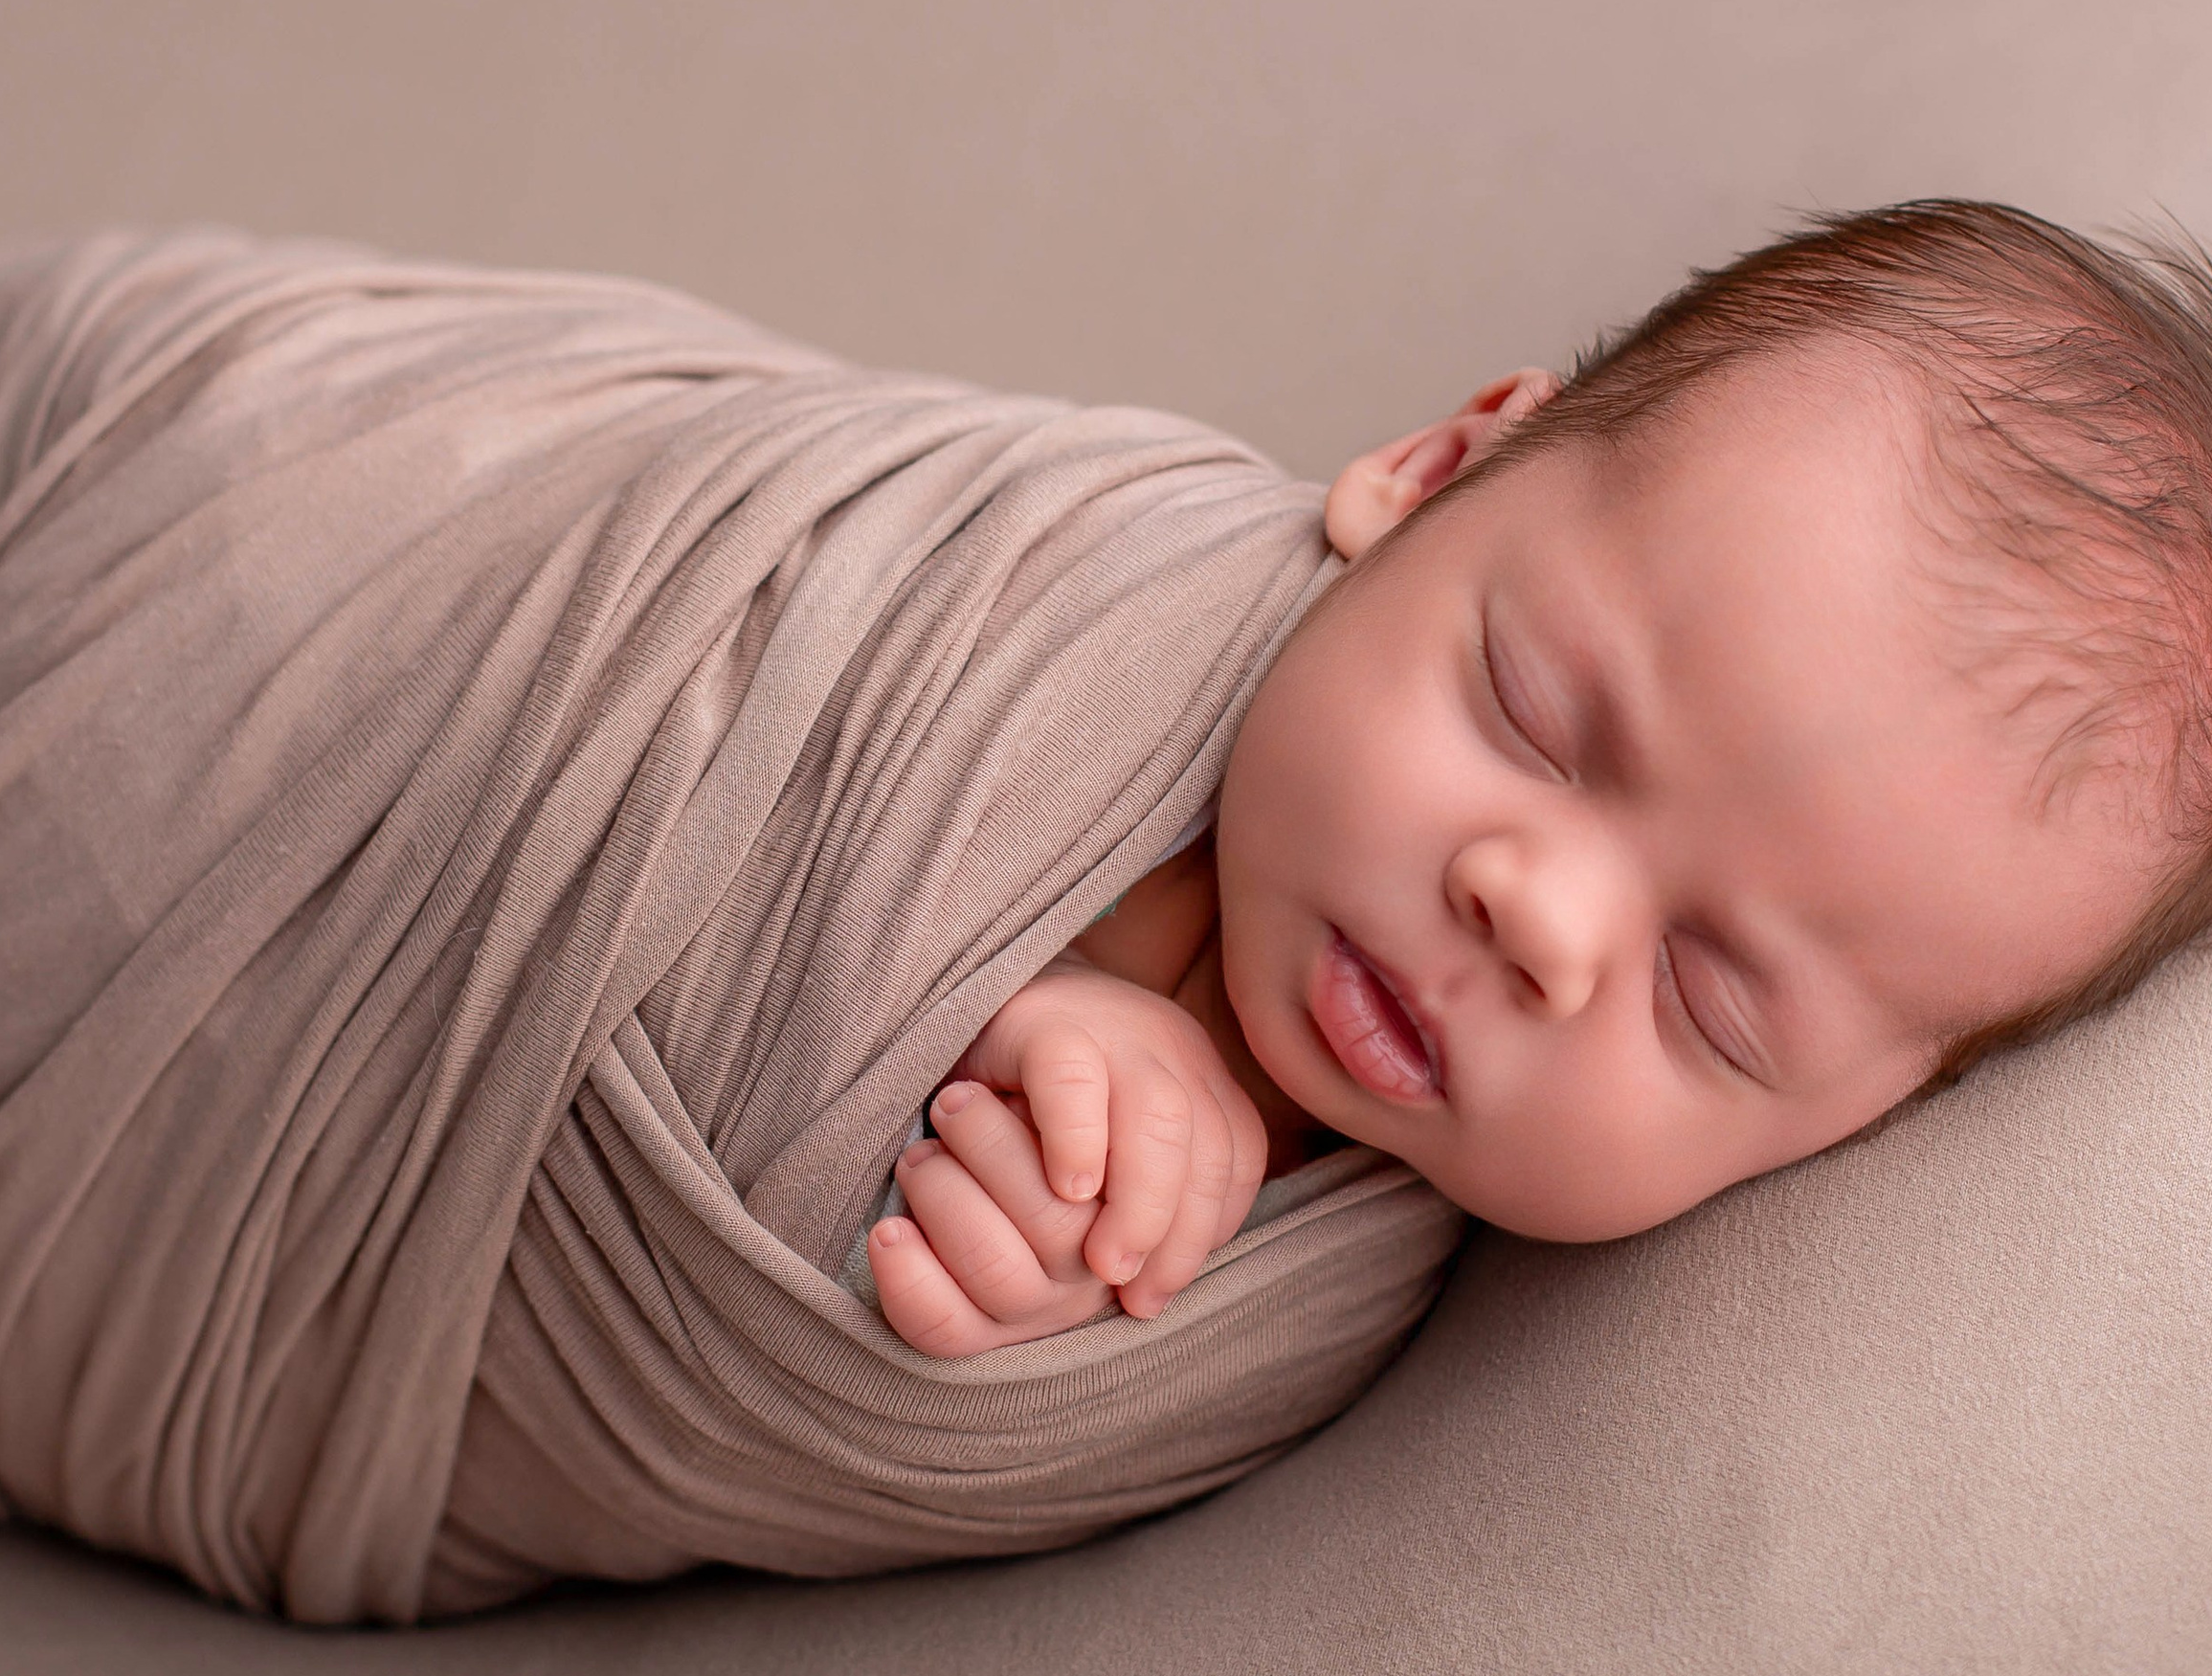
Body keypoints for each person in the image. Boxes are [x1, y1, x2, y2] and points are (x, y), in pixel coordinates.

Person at [866, 199, 2212, 1355]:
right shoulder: (1071, 615)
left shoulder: (1343, 1330)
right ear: (1437, 471)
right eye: (1535, 715)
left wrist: (1048, 1261)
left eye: (1709, 997)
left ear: (1862, 1127)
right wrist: (1006, 1001)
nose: (1542, 922)